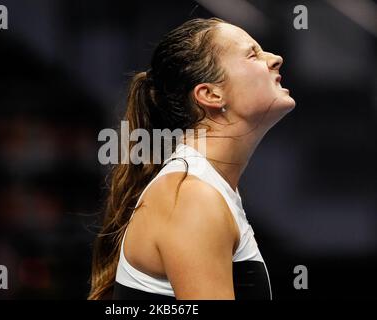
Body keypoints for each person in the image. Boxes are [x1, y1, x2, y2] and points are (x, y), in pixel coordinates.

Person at [88, 17, 295, 300]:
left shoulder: (202, 189)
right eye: (252, 54)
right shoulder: (191, 196)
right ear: (211, 94)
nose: (275, 59)